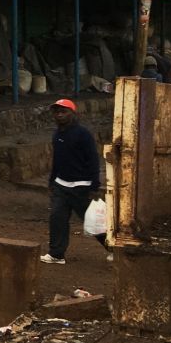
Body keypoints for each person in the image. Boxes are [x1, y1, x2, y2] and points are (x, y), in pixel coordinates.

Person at [39, 98, 106, 265]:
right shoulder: (57, 135)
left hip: (81, 187)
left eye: (64, 111)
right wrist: (52, 181)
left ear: (73, 114)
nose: (60, 115)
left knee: (94, 222)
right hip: (61, 185)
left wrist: (94, 185)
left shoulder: (83, 134)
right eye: (57, 112)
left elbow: (93, 159)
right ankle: (56, 254)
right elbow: (58, 160)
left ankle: (114, 249)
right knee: (57, 219)